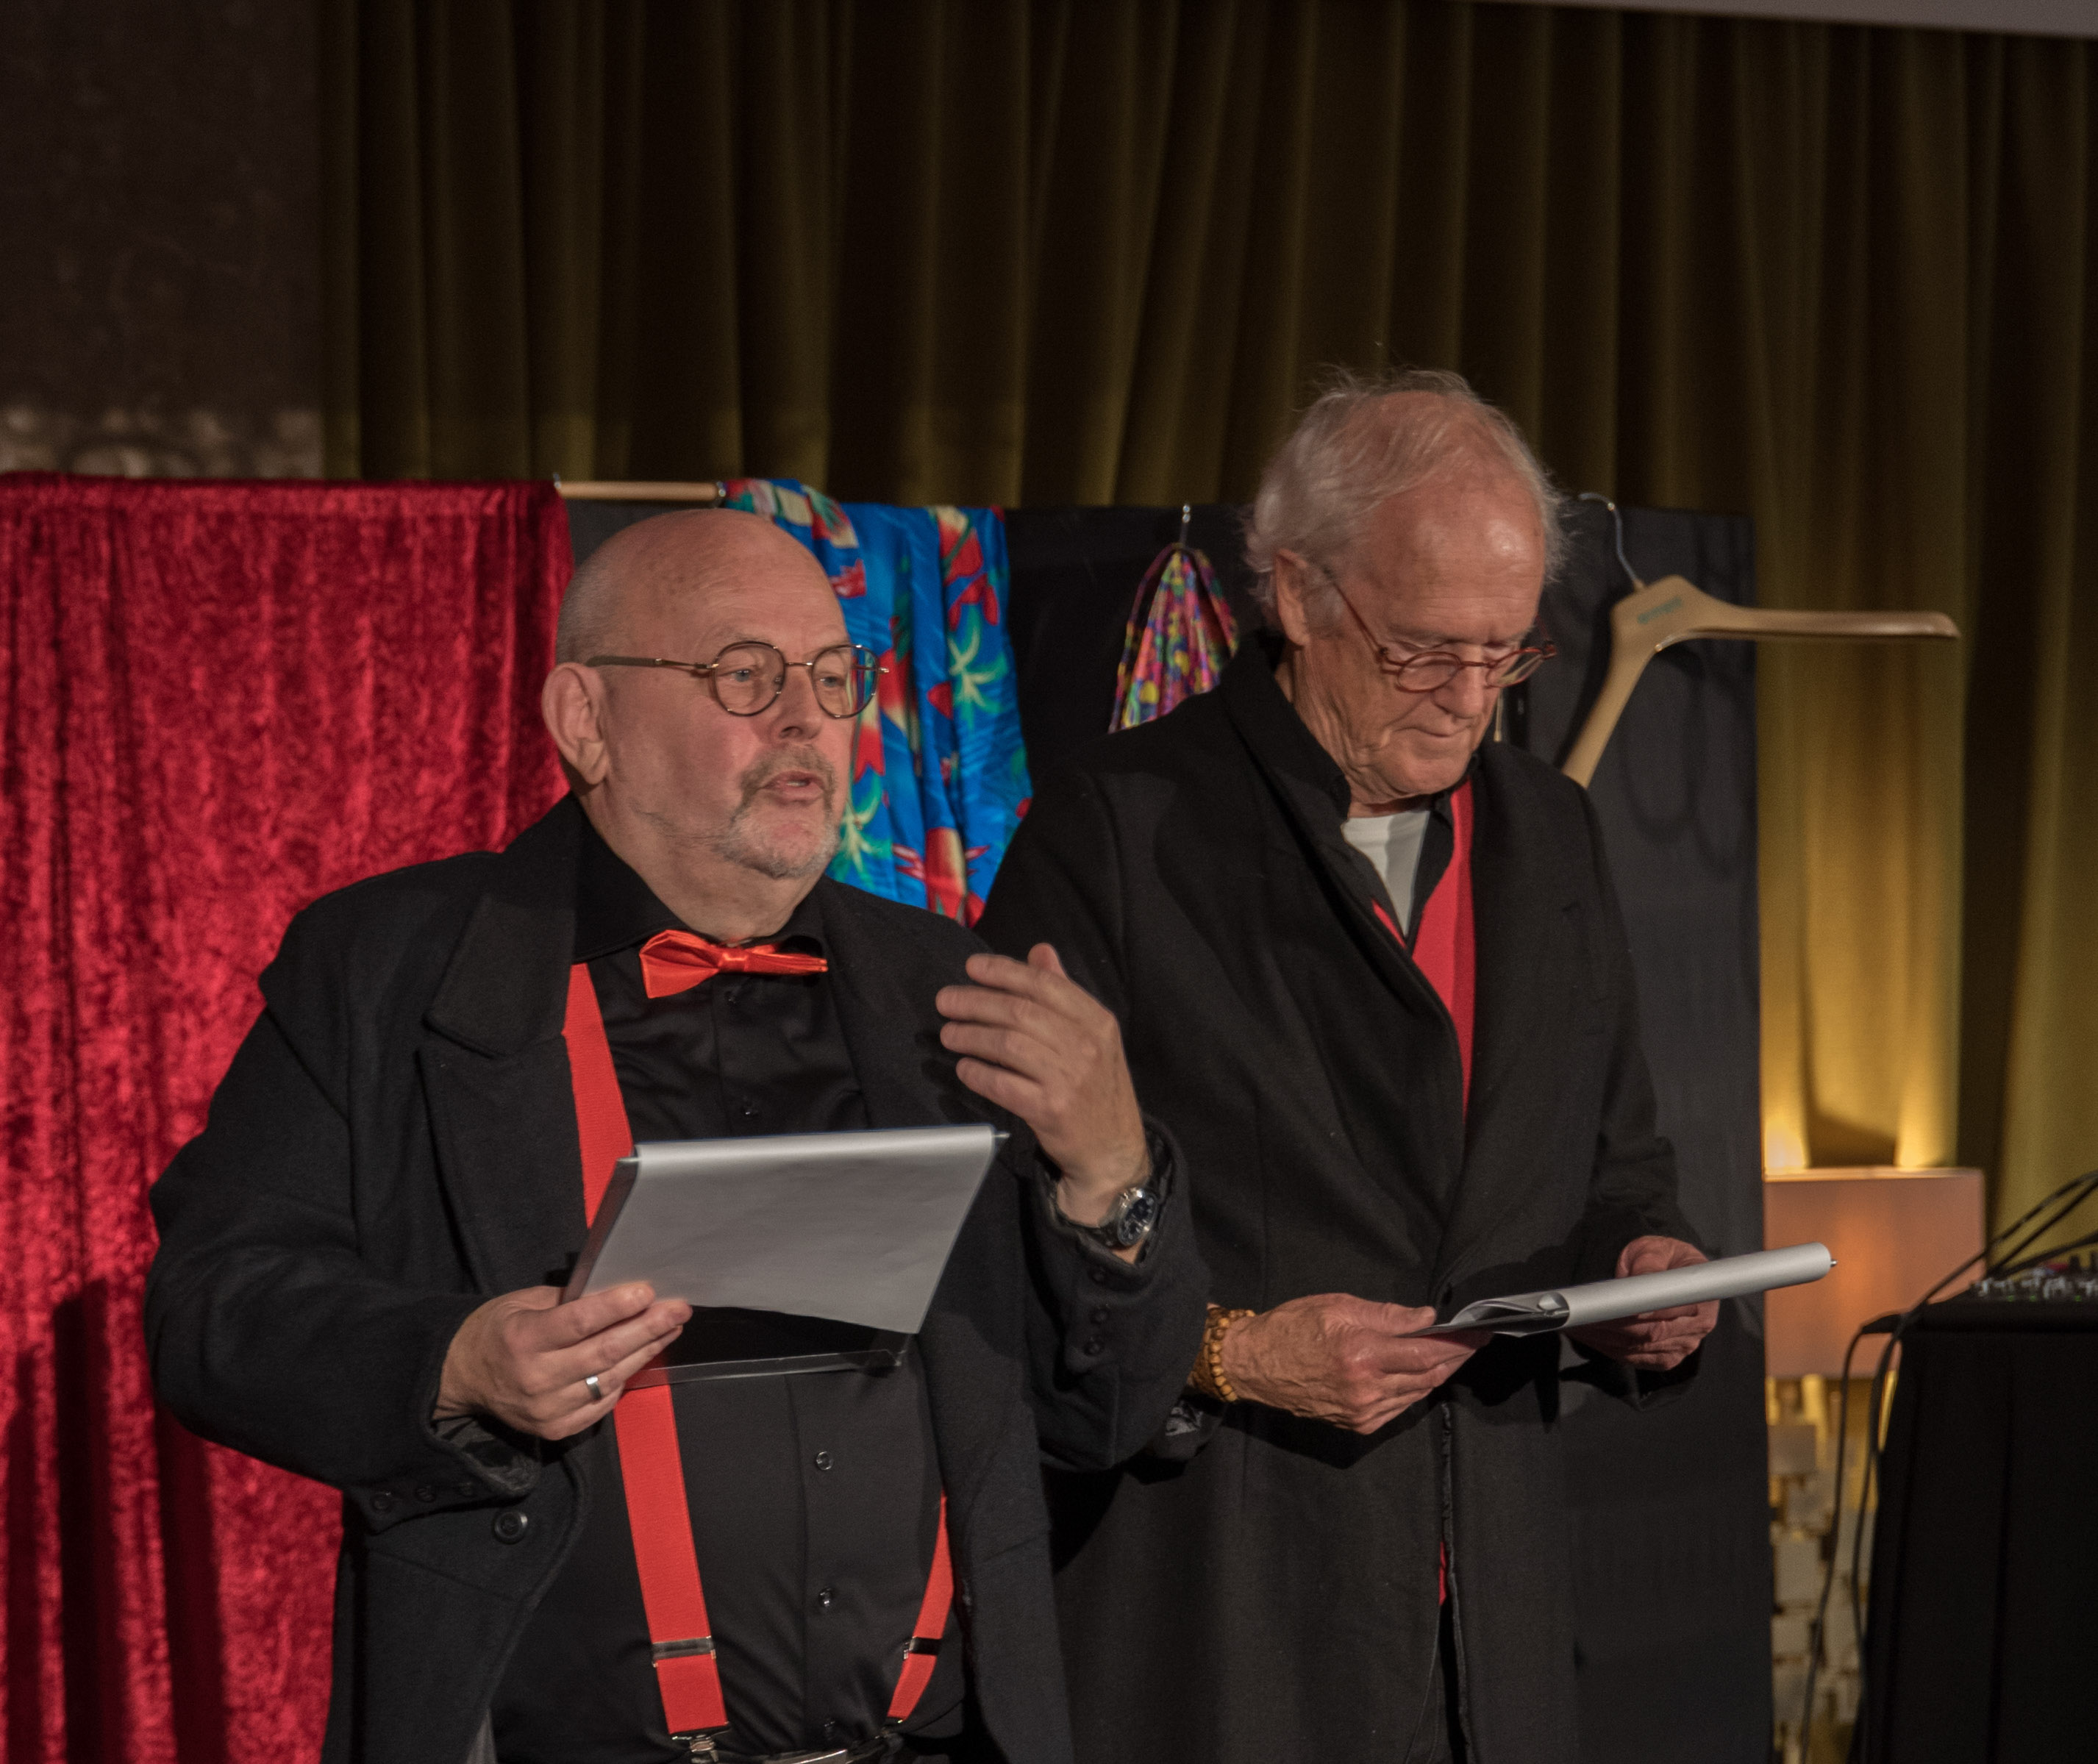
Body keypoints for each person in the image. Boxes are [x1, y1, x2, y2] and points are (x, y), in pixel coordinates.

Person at [146, 510, 1206, 1764]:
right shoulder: (386, 967)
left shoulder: (947, 984)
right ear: (585, 719)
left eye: (833, 675)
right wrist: (456, 1362)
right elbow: (212, 1314)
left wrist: (1112, 1178)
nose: (806, 719)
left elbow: (1099, 1419)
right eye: (744, 673)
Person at [977, 369, 1719, 1764]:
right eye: (1425, 652)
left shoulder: (1551, 835)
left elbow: (1616, 1165)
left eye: (1506, 655)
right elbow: (1000, 1248)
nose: (1468, 702)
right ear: (1301, 593)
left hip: (1489, 1616)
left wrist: (1644, 1272)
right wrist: (1235, 1354)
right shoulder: (1118, 830)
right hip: (1228, 1601)